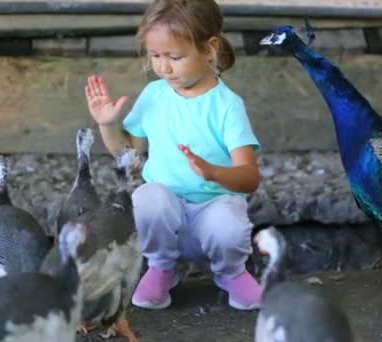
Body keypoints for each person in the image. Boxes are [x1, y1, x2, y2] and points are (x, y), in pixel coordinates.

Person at [85, 0, 262, 311]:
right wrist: (107, 125)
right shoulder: (155, 95)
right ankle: (162, 267)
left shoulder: (227, 106)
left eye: (174, 57)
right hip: (166, 217)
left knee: (228, 225)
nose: (163, 67)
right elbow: (129, 157)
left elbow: (249, 178)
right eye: (155, 56)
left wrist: (214, 172)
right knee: (148, 196)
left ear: (209, 49)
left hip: (214, 206)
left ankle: (231, 272)